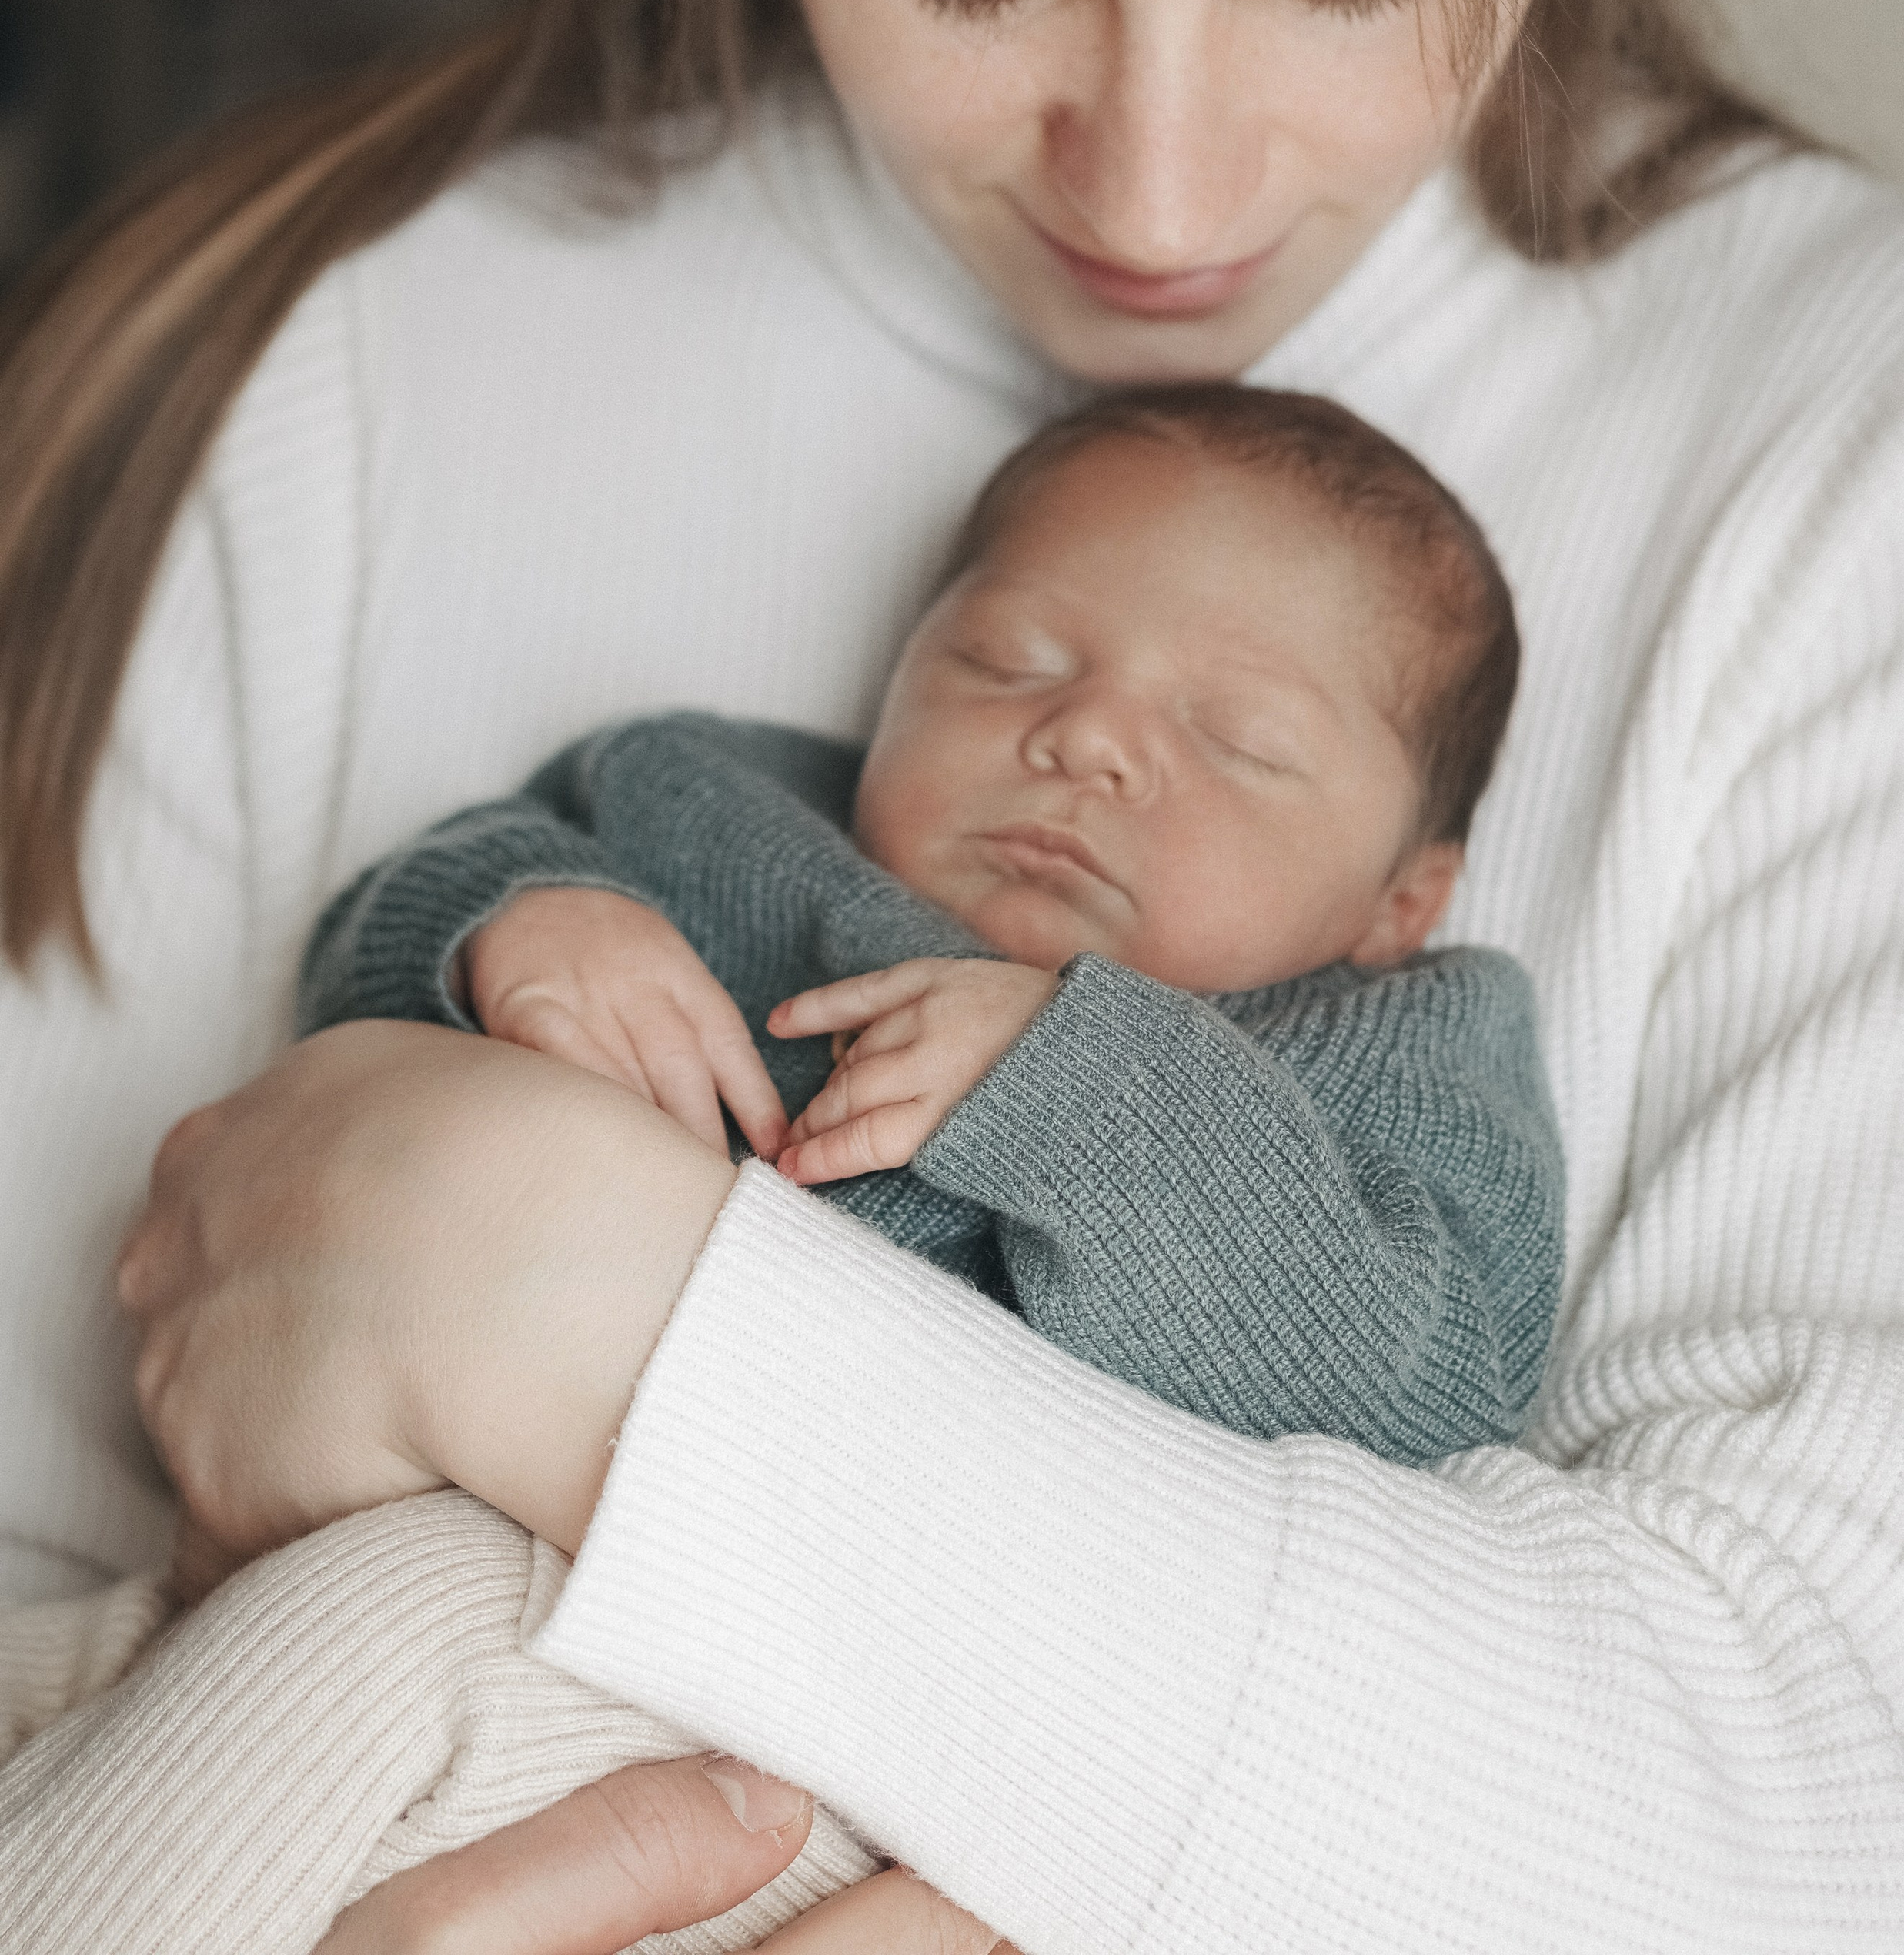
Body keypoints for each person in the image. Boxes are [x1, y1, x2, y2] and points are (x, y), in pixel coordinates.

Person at [2, 0, 1904, 1947]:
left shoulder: (1879, 464)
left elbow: (1855, 1804)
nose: (1160, 198)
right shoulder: (337, 375)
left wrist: (591, 1307)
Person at [0, 386, 1563, 1953]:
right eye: (1002, 660)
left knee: (363, 1637)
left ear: (1399, 900)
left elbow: (1417, 1393)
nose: (1084, 735)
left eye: (1239, 741)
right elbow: (362, 978)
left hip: (781, 1750)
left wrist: (1087, 1088)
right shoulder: (712, 806)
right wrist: (516, 919)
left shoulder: (1390, 1050)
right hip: (341, 1551)